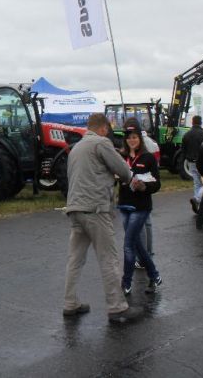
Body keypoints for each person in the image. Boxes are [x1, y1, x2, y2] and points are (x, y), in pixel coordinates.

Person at [62, 113, 141, 324]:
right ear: (104, 128)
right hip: (96, 209)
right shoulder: (101, 143)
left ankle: (70, 303)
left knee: (75, 259)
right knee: (109, 258)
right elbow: (124, 171)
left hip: (75, 208)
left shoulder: (76, 148)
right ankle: (117, 307)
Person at [117, 124, 162, 296]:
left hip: (141, 206)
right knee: (137, 244)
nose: (131, 140)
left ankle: (126, 282)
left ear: (140, 139)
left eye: (135, 137)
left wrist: (144, 186)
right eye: (129, 137)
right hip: (124, 204)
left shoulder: (148, 158)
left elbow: (157, 184)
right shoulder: (121, 157)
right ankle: (155, 275)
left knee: (128, 244)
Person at [182, 116, 203, 214]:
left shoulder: (186, 134)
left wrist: (187, 157)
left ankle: (197, 201)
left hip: (191, 161)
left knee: (196, 181)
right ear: (201, 122)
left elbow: (183, 149)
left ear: (192, 122)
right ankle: (198, 199)